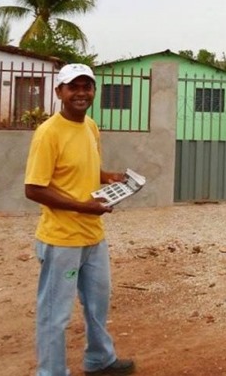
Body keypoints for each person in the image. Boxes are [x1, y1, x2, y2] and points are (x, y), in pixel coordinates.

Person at [24, 64, 136, 376]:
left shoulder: (90, 127)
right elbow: (34, 188)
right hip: (61, 239)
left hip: (93, 235)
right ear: (60, 92)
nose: (81, 93)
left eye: (87, 86)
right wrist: (82, 207)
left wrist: (108, 176)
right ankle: (51, 372)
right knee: (54, 314)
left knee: (98, 305)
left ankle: (100, 359)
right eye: (74, 87)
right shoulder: (48, 133)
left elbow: (84, 168)